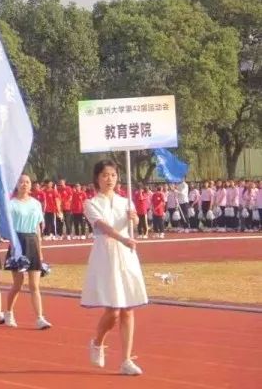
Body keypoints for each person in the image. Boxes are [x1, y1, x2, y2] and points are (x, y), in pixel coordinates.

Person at [82, 160, 148, 376]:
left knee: (128, 308)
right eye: (104, 175)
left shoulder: (125, 201)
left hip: (127, 256)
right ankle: (97, 342)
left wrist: (134, 219)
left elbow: (133, 224)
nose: (109, 179)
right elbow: (103, 227)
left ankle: (126, 360)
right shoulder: (91, 203)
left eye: (112, 175)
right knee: (113, 310)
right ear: (97, 178)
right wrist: (123, 239)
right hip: (106, 256)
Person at [3, 174, 51, 330]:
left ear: (31, 185)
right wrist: (13, 245)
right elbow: (8, 228)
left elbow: (37, 228)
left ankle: (40, 318)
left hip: (32, 241)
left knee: (34, 285)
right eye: (21, 182)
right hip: (18, 242)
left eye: (27, 182)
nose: (24, 184)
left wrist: (40, 250)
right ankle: (9, 312)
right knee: (18, 284)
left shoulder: (36, 203)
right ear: (17, 185)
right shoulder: (11, 204)